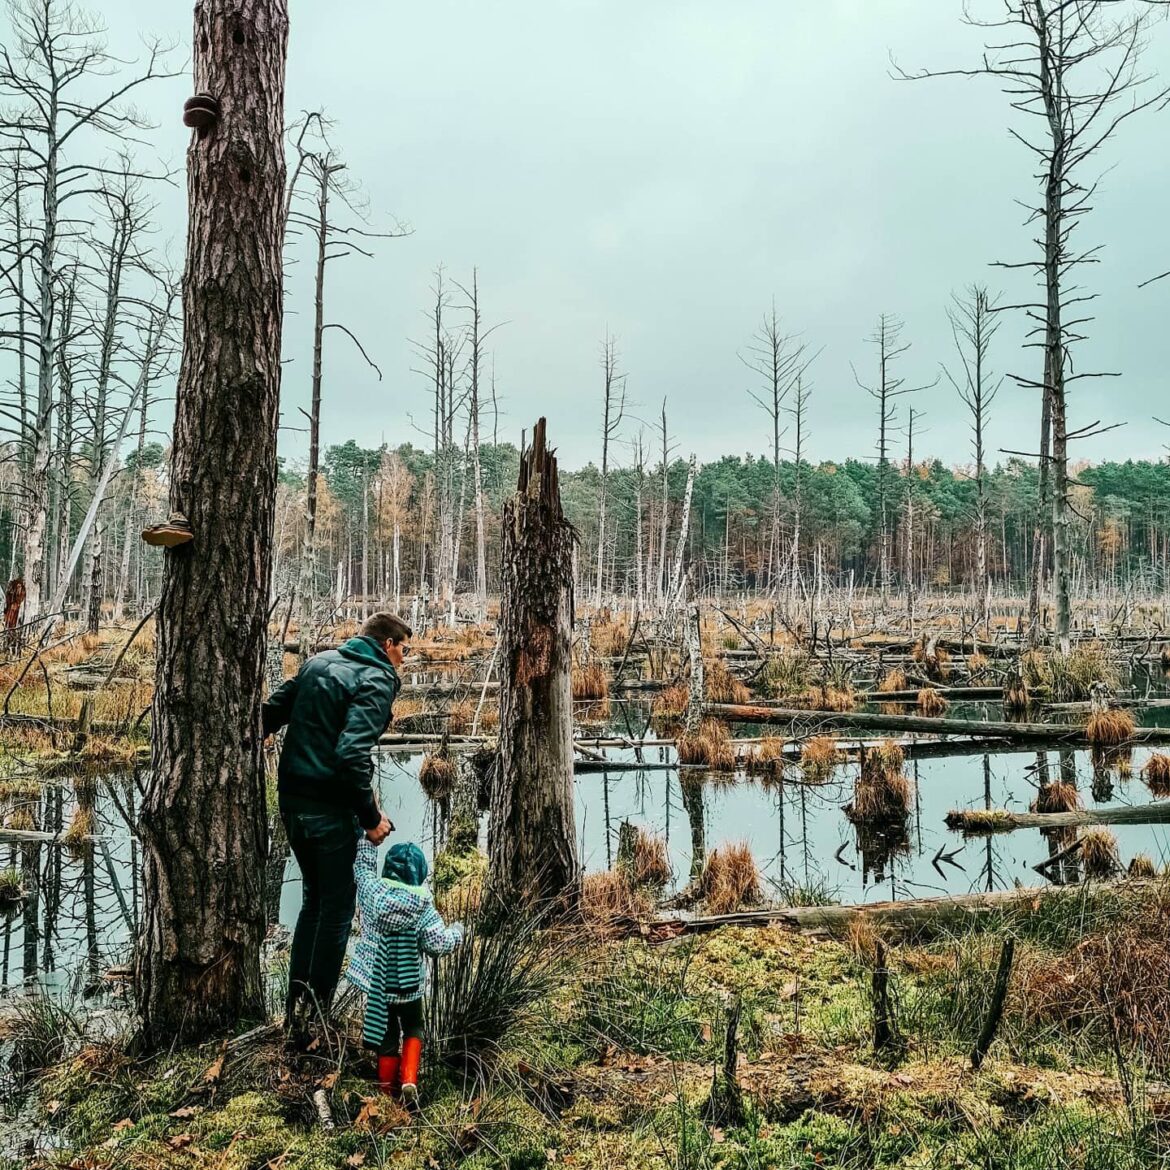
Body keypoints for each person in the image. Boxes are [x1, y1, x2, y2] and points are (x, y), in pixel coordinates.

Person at [262, 611, 412, 1033]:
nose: (404, 657)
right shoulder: (377, 679)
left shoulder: (318, 663)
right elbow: (350, 756)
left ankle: (298, 1010)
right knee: (338, 908)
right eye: (403, 647)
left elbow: (271, 712)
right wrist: (370, 818)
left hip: (292, 803)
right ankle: (316, 1018)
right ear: (386, 644)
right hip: (328, 811)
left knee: (315, 901)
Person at [348, 838, 463, 1103]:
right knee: (413, 1028)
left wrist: (367, 840)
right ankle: (409, 1079)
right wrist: (458, 933)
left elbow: (363, 871)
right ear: (420, 876)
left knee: (386, 1037)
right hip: (410, 989)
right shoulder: (422, 906)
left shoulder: (372, 894)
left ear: (387, 869)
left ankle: (386, 1095)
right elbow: (438, 944)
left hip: (379, 989)